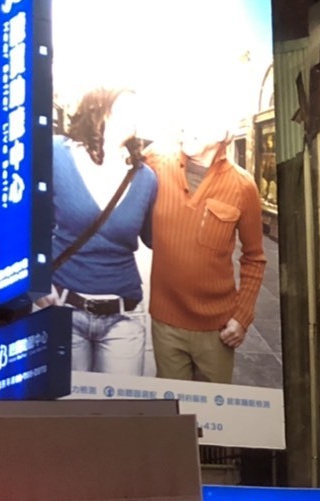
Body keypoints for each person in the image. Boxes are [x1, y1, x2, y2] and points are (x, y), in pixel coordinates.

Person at [43, 88, 158, 373]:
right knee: (66, 400)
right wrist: (34, 281)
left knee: (120, 401)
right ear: (99, 107)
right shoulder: (56, 153)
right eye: (126, 107)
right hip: (63, 307)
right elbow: (23, 218)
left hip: (124, 315)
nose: (135, 115)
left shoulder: (146, 178)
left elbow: (154, 237)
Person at [147, 115, 265, 383]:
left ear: (224, 132)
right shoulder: (157, 162)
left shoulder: (243, 186)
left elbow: (254, 258)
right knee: (173, 406)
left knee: (213, 407)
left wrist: (242, 316)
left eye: (201, 121)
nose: (188, 128)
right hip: (166, 322)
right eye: (187, 120)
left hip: (217, 329)